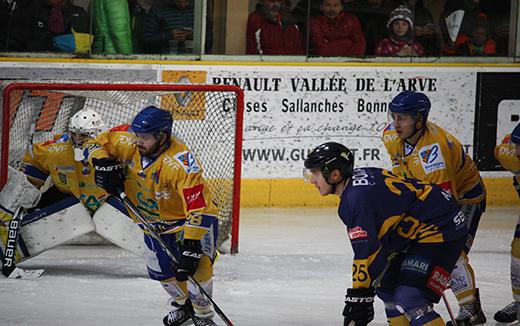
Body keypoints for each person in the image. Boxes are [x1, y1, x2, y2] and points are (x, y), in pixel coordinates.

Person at [304, 142, 469, 325]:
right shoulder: (357, 184)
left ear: (334, 174)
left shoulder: (356, 202)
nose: (312, 180)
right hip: (419, 227)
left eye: (315, 174)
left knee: (409, 296)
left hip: (441, 227)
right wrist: (362, 295)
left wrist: (358, 296)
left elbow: (366, 254)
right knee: (387, 290)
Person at [89, 106, 219, 326]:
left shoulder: (181, 163)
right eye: (136, 135)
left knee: (197, 268)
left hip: (187, 223)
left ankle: (203, 316)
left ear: (162, 136)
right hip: (149, 222)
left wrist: (191, 243)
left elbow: (198, 206)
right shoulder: (127, 141)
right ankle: (184, 305)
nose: (138, 141)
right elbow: (95, 143)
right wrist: (101, 163)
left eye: (144, 137)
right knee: (162, 273)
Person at [382, 90, 487, 325]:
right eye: (394, 116)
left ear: (419, 120)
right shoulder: (391, 135)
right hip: (434, 194)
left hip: (464, 199)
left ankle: (471, 310)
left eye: (403, 118)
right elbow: (402, 171)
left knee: (452, 251)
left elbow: (443, 205)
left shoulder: (433, 154)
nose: (395, 124)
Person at [493, 123, 520, 323]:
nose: (517, 152)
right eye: (516, 145)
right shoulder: (509, 153)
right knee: (518, 253)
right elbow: (502, 148)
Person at [140, 0, 213, 54]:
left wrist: (195, 37)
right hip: (164, 62)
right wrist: (169, 36)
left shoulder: (200, 9)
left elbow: (210, 41)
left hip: (195, 61)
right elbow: (146, 42)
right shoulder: (158, 10)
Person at [26, 0, 92, 53]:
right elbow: (21, 41)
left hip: (70, 62)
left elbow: (84, 45)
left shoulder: (78, 12)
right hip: (35, 60)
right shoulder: (33, 11)